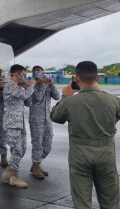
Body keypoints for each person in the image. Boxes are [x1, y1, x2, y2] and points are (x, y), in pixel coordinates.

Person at [51, 61, 120, 209]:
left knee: (81, 201)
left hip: (79, 155)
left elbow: (55, 117)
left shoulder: (70, 102)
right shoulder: (111, 100)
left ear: (76, 78)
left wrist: (65, 97)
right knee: (111, 201)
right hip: (106, 154)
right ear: (97, 78)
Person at [1, 64, 35, 188]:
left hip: (19, 123)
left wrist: (25, 88)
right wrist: (30, 87)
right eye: (23, 75)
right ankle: (14, 177)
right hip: (11, 123)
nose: (24, 78)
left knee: (23, 149)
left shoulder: (18, 87)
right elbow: (24, 96)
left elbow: (27, 102)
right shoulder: (10, 86)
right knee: (17, 150)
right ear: (16, 74)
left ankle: (9, 171)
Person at [28, 65, 60, 179]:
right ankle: (36, 166)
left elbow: (57, 96)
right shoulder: (32, 84)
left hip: (47, 118)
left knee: (47, 144)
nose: (38, 73)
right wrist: (40, 83)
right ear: (33, 74)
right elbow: (37, 97)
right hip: (36, 119)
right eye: (35, 72)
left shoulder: (47, 83)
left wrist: (51, 84)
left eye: (39, 72)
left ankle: (36, 164)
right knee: (37, 144)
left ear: (43, 72)